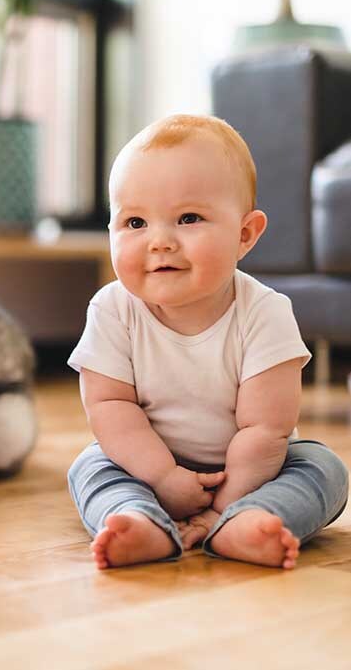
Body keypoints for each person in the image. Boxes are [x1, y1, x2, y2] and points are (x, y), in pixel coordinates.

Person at [67, 114, 348, 569]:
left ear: (244, 234)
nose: (159, 241)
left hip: (256, 469)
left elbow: (265, 429)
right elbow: (109, 407)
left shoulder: (265, 312)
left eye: (188, 218)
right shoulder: (112, 309)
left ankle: (247, 520)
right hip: (144, 462)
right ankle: (137, 520)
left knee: (324, 468)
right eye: (135, 222)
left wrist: (222, 504)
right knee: (91, 465)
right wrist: (162, 476)